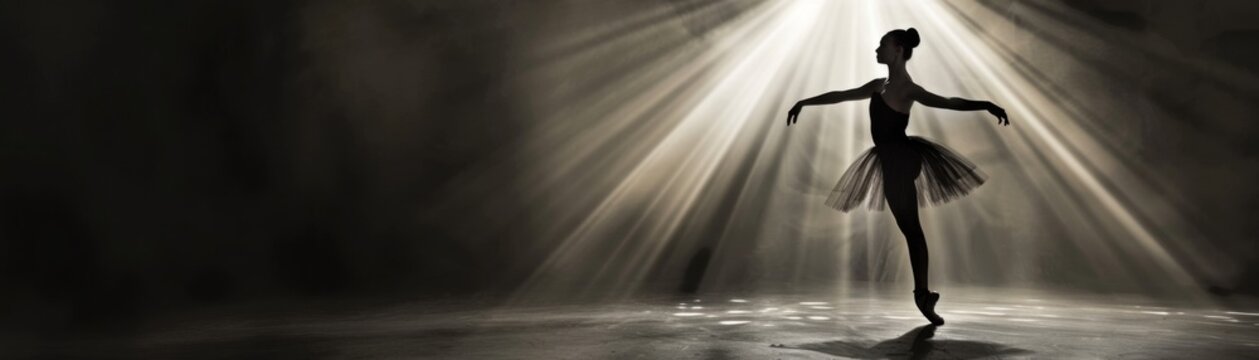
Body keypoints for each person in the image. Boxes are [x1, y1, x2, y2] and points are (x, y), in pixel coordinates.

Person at [784, 28, 1009, 325]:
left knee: (912, 231)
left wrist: (985, 104)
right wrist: (805, 102)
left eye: (882, 45)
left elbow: (949, 101)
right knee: (910, 230)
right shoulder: (880, 84)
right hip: (891, 160)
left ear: (898, 49)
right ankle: (923, 295)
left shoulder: (906, 88)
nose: (877, 50)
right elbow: (842, 95)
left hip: (901, 159)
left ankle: (922, 294)